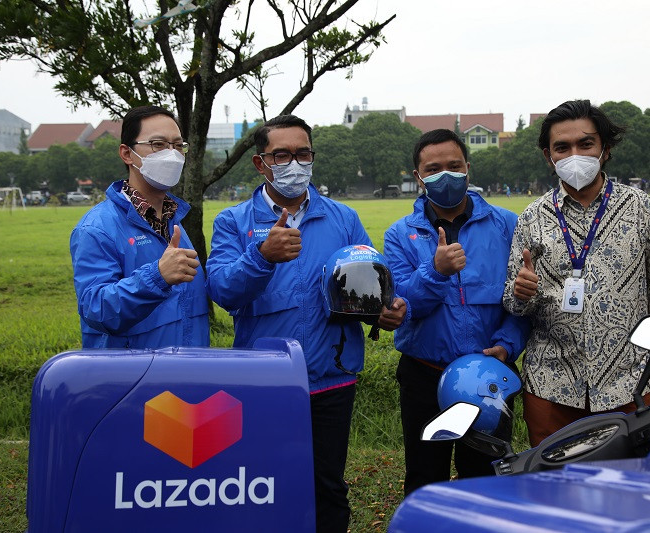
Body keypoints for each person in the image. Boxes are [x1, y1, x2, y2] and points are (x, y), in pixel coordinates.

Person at [205, 114, 407, 533]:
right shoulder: (234, 222)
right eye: (282, 154)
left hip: (331, 377)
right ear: (261, 163)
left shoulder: (343, 218)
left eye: (302, 153)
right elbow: (222, 291)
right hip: (264, 383)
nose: (294, 163)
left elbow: (368, 282)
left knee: (327, 485)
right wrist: (260, 256)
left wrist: (386, 310)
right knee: (263, 484)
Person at [503, 100, 650, 447]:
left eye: (585, 144)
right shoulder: (531, 218)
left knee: (626, 488)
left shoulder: (641, 209)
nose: (575, 154)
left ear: (604, 149)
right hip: (551, 385)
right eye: (563, 147)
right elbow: (514, 304)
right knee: (557, 488)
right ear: (548, 156)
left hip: (630, 382)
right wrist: (520, 292)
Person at [383, 129, 530, 496]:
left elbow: (521, 301)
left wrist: (507, 346)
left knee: (485, 477)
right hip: (424, 375)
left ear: (468, 168)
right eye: (433, 169)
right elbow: (403, 305)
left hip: (488, 374)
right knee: (424, 476)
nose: (445, 175)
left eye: (453, 165)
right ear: (419, 177)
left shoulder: (507, 225)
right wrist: (435, 272)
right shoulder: (400, 234)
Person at [70, 105, 209, 349]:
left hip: (188, 372)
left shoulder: (173, 218)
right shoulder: (96, 228)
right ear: (127, 154)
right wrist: (157, 277)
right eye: (158, 144)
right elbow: (96, 310)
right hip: (134, 377)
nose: (172, 154)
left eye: (178, 146)